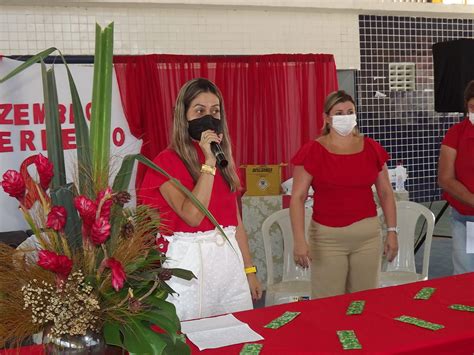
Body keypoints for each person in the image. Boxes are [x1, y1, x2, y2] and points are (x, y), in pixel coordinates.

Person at [139, 78, 262, 321]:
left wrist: (249, 271)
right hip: (187, 264)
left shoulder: (224, 162)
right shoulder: (165, 162)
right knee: (188, 335)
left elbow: (235, 223)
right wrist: (208, 164)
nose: (209, 118)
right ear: (184, 117)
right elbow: (193, 216)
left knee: (234, 330)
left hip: (228, 261)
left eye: (215, 111)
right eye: (200, 111)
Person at [290, 90, 398, 299]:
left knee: (366, 302)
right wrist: (299, 240)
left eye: (350, 112)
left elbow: (385, 193)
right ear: (327, 118)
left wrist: (393, 231)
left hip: (368, 237)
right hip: (327, 239)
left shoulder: (371, 148)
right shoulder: (313, 150)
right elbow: (297, 198)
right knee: (329, 304)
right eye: (339, 113)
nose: (345, 117)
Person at [438, 80, 474, 275]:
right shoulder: (456, 134)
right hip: (466, 218)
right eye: (472, 107)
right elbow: (445, 178)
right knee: (465, 275)